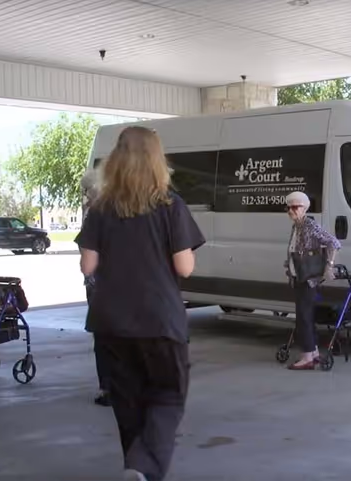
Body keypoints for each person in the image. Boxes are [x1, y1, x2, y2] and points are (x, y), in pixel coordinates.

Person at [79, 126, 205, 481]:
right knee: (167, 396)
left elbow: (88, 265)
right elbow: (184, 266)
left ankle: (135, 469)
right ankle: (141, 468)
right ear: (156, 160)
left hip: (110, 322)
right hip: (159, 319)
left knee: (127, 404)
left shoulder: (101, 208)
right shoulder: (170, 205)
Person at [283, 191, 341, 371]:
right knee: (304, 316)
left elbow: (334, 243)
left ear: (304, 208)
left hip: (308, 279)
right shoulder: (297, 226)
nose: (291, 211)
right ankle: (313, 352)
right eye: (288, 207)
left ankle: (307, 356)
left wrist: (329, 266)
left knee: (304, 318)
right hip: (299, 277)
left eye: (295, 207)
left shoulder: (309, 225)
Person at [77, 165, 111, 407]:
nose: (86, 196)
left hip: (100, 287)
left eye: (87, 191)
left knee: (105, 339)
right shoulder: (124, 210)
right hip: (122, 285)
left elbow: (87, 261)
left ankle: (107, 388)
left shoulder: (94, 214)